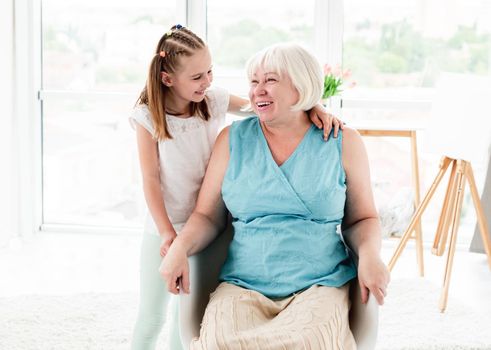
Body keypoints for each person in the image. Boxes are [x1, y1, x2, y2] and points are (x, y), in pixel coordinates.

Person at [159, 43, 390, 349]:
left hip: (319, 284)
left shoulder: (344, 141)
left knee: (309, 342)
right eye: (254, 82)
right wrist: (179, 247)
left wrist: (371, 256)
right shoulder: (232, 140)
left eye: (270, 81)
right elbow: (206, 216)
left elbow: (363, 218)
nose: (258, 91)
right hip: (243, 285)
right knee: (219, 344)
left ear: (301, 85)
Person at [129, 25, 343, 350]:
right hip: (167, 227)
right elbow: (150, 180)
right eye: (198, 77)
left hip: (210, 221)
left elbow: (265, 106)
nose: (208, 81)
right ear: (168, 79)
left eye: (210, 71)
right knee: (151, 315)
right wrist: (167, 235)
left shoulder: (211, 100)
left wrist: (312, 105)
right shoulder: (147, 118)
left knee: (186, 316)